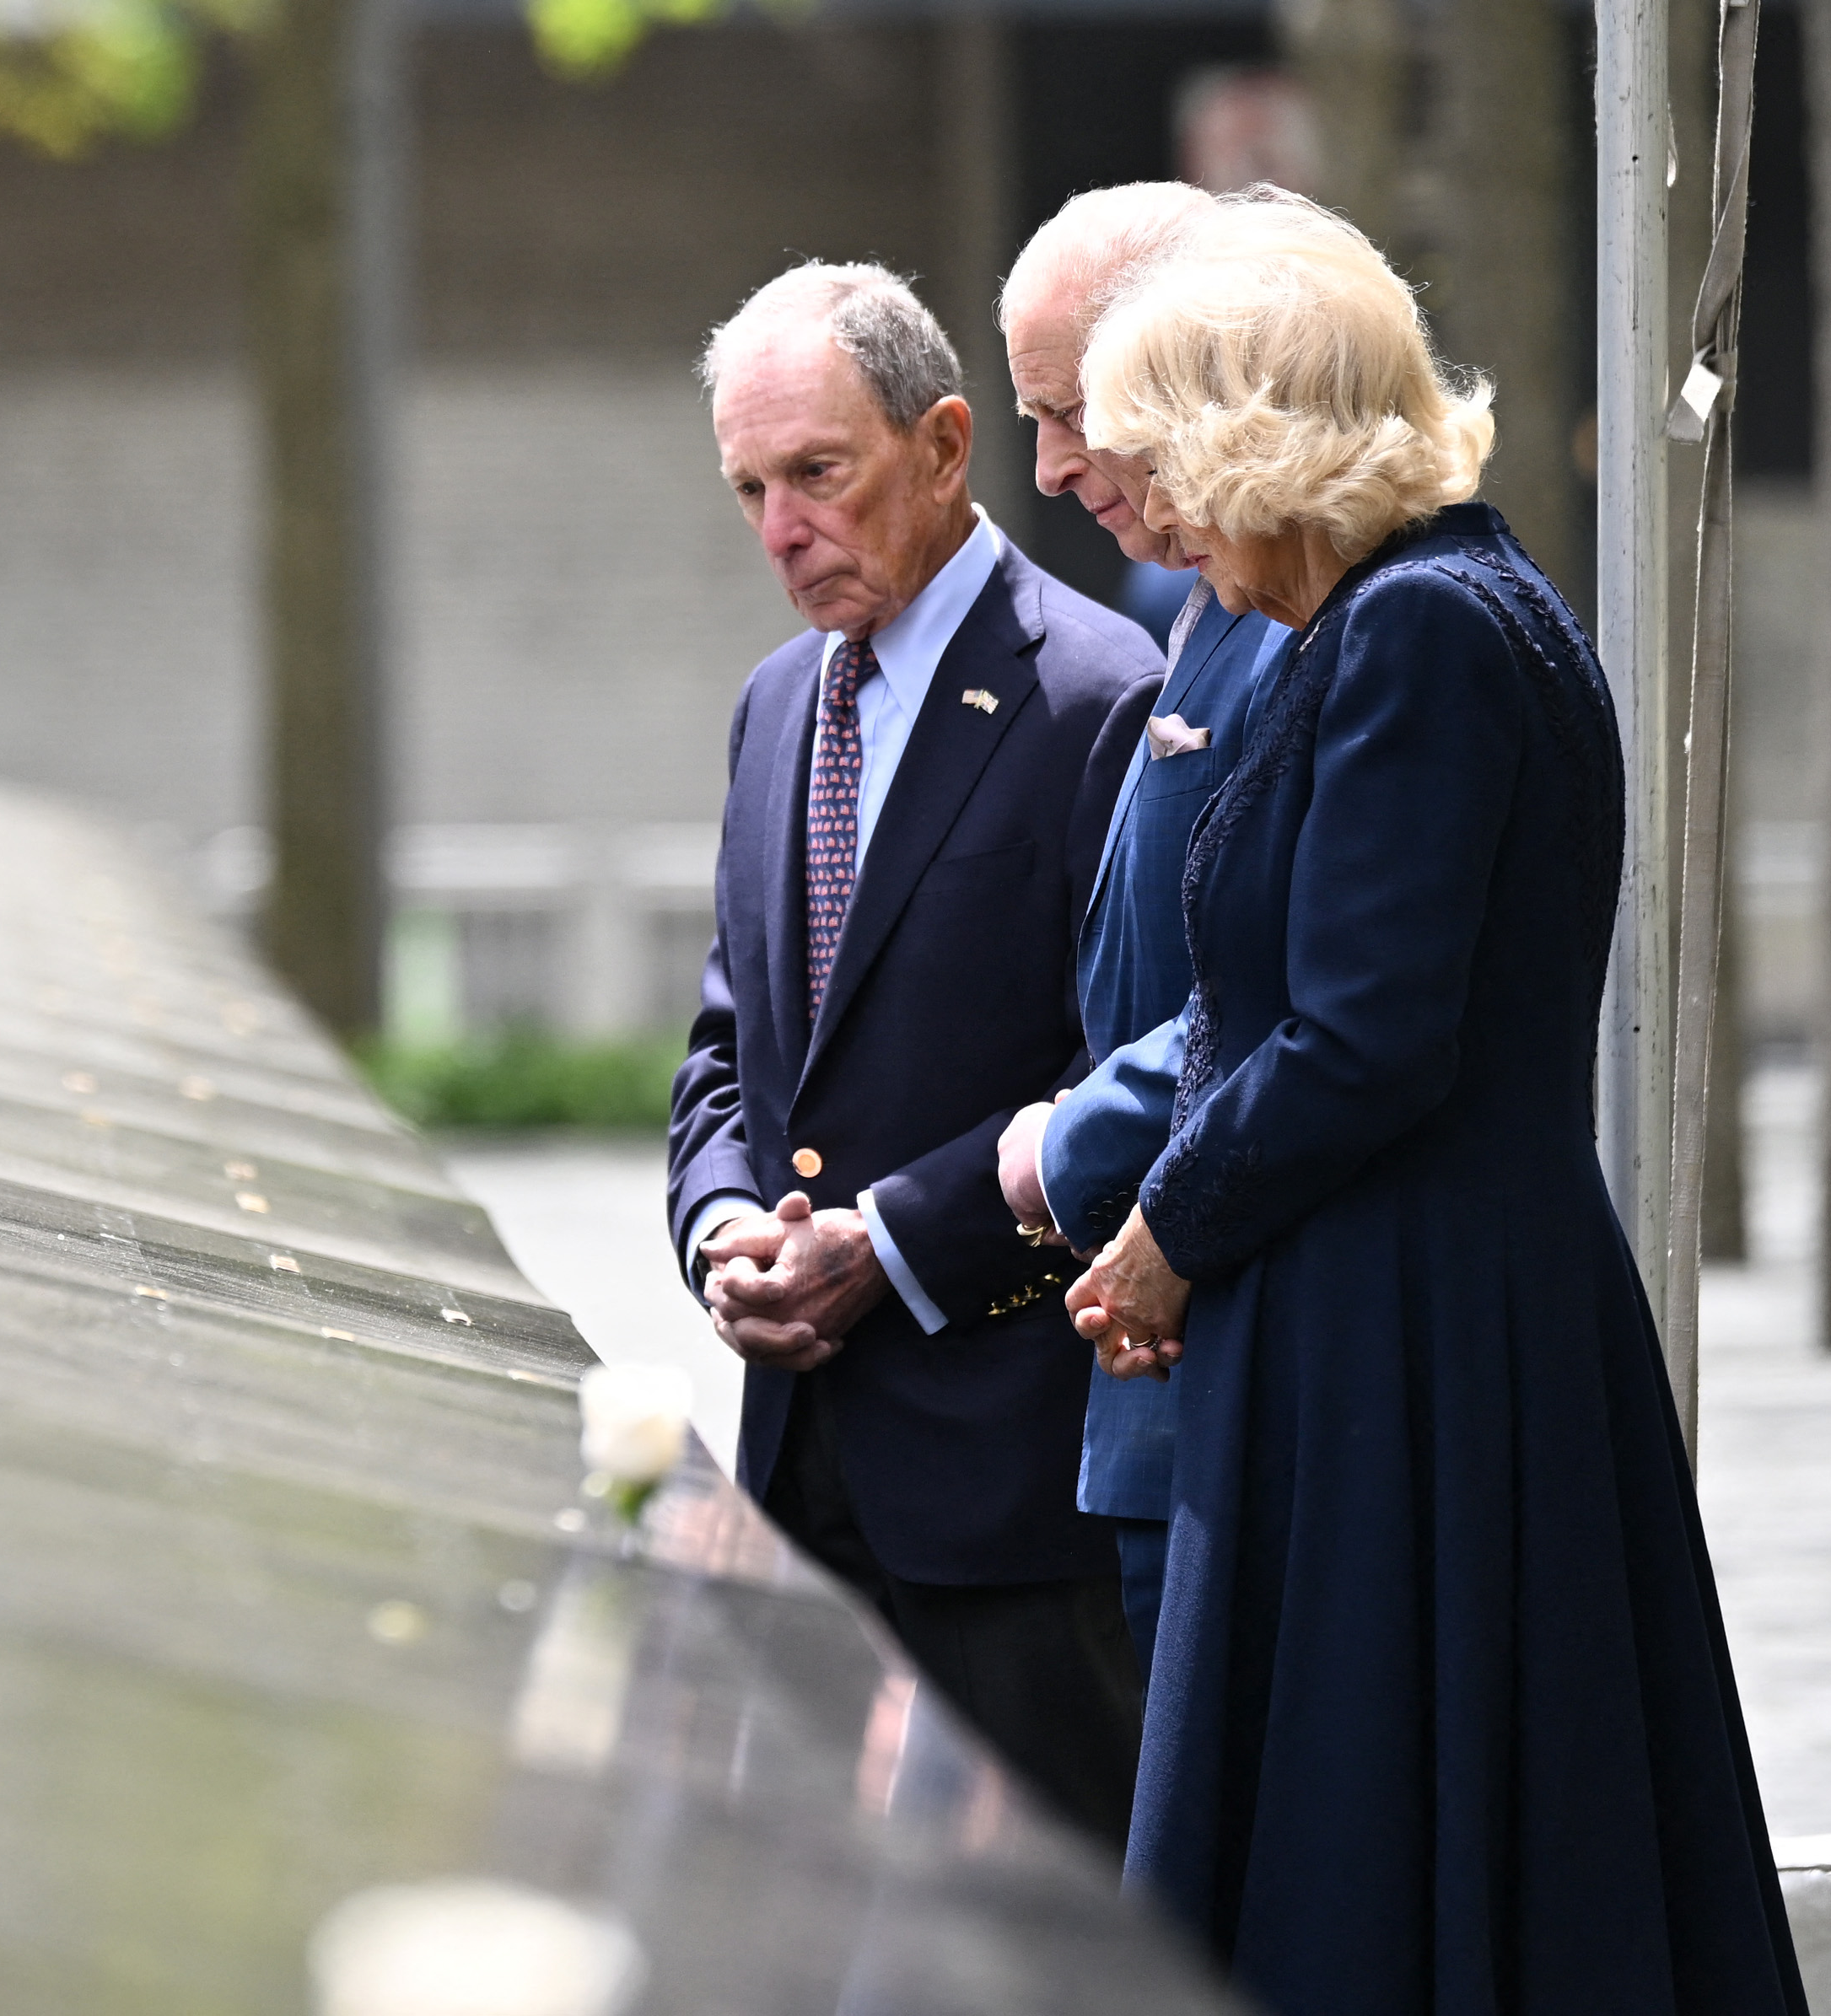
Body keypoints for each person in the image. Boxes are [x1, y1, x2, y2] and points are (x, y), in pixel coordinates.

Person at [1063, 195, 1808, 2013]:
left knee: (1386, 1835)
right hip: (1421, 1312)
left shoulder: (1422, 635)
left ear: (1261, 439)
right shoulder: (1426, 618)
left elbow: (1364, 1034)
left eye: (1163, 458)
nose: (1148, 511)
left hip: (1413, 1337)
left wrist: (1166, 1228)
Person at [667, 261, 1159, 1846]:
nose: (780, 528)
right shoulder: (767, 709)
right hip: (802, 1471)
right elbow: (729, 1046)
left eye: (819, 473)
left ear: (945, 446)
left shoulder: (1100, 699)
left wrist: (894, 1246)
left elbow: (1140, 1077)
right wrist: (722, 1227)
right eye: (750, 487)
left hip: (1013, 1488)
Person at [987, 182, 1295, 1674]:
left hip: (1246, 1370)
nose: (1041, 470)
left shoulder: (1308, 619)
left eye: (1066, 412)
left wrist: (1057, 1145)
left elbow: (1292, 986)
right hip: (1160, 1376)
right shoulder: (1206, 604)